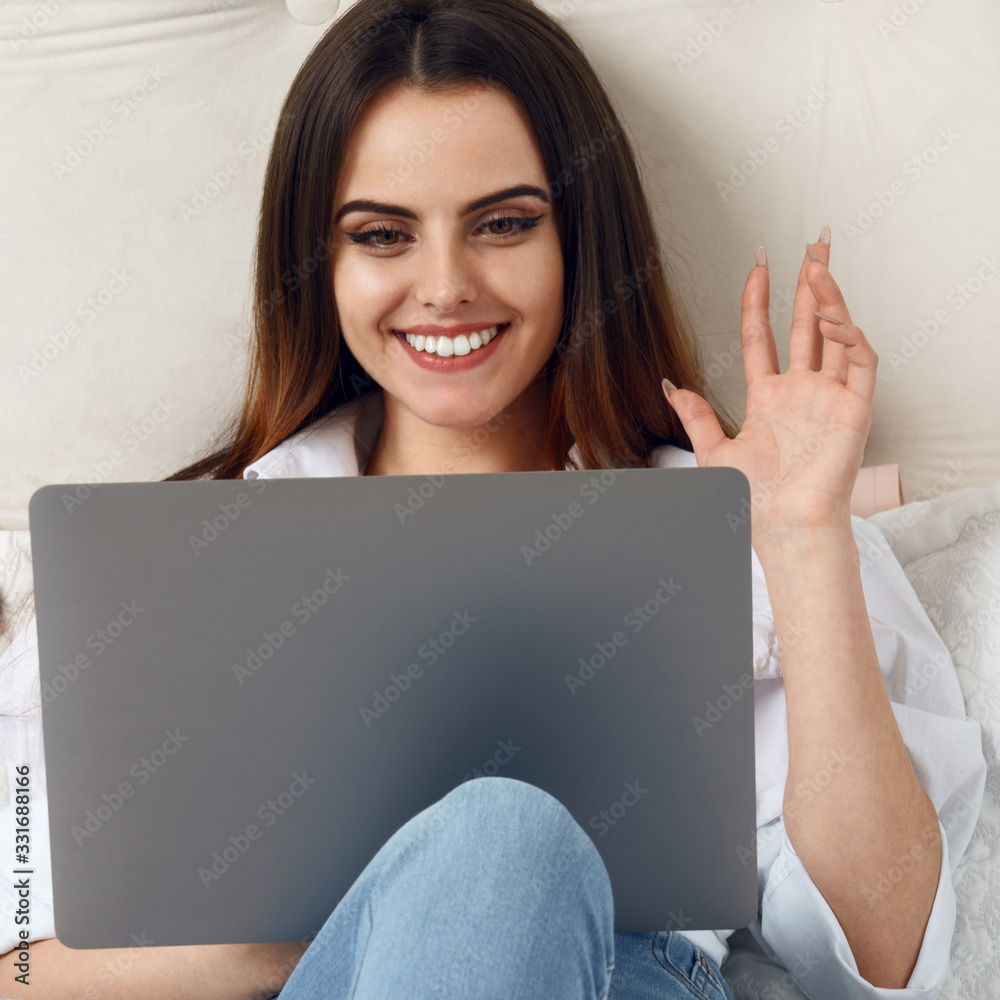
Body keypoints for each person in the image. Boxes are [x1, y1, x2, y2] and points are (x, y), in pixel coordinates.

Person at [0, 1, 986, 998]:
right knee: (494, 834)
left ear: (579, 240)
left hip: (633, 975)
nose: (444, 286)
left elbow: (889, 960)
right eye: (382, 235)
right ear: (319, 266)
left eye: (503, 224)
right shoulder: (162, 566)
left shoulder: (759, 531)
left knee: (504, 834)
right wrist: (343, 913)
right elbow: (22, 971)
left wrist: (803, 540)